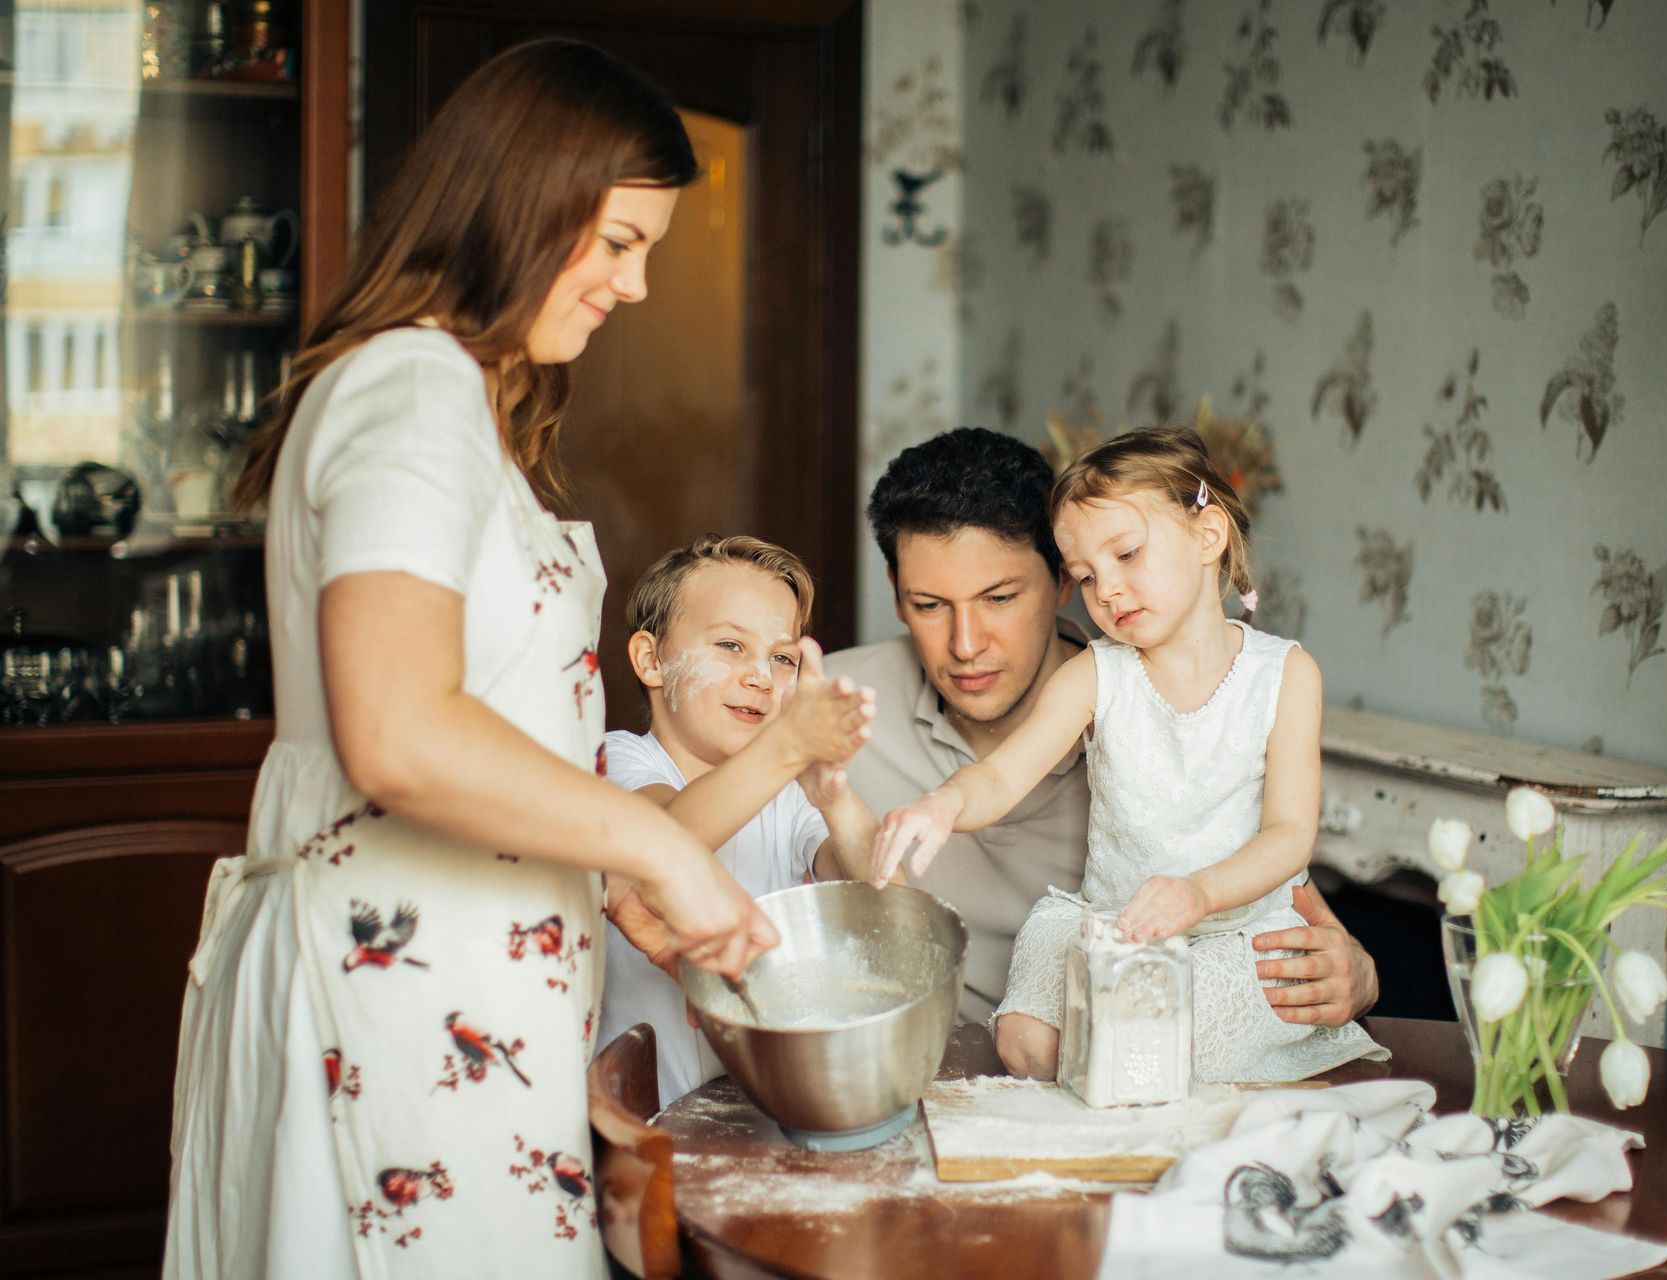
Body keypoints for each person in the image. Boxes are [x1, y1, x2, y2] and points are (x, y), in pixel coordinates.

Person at [165, 41, 862, 1278]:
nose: (635, 286)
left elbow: (493, 729)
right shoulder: (412, 388)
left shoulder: (464, 404)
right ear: (521, 205)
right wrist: (648, 841)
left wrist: (611, 871)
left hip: (473, 981)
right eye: (617, 242)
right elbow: (400, 728)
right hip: (400, 981)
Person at [872, 427, 1386, 1083]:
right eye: (1087, 576)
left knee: (1160, 1054)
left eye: (1127, 555)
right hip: (1110, 920)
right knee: (1026, 1042)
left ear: (1208, 536)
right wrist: (944, 804)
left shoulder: (1285, 674)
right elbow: (1003, 774)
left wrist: (1199, 894)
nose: (1107, 590)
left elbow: (1289, 836)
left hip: (1224, 932)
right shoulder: (1097, 673)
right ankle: (1106, 1099)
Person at [594, 535, 890, 1104]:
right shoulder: (620, 760)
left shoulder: (786, 793)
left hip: (764, 1107)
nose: (761, 676)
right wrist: (786, 745)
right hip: (649, 1126)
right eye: (731, 645)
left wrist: (835, 798)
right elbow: (660, 843)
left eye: (782, 657)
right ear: (651, 660)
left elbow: (884, 896)